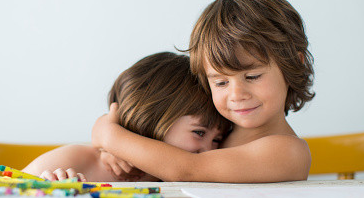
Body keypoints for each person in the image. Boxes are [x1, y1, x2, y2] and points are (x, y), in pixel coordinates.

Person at [92, 0, 315, 183]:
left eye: (253, 76)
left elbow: (187, 170)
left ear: (294, 63)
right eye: (221, 82)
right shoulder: (215, 133)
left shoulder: (289, 152)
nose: (236, 95)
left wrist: (111, 137)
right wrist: (109, 147)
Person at [22, 52, 231, 182]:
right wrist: (45, 186)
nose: (209, 150)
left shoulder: (169, 176)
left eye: (216, 140)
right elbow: (6, 188)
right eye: (199, 132)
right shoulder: (77, 159)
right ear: (153, 116)